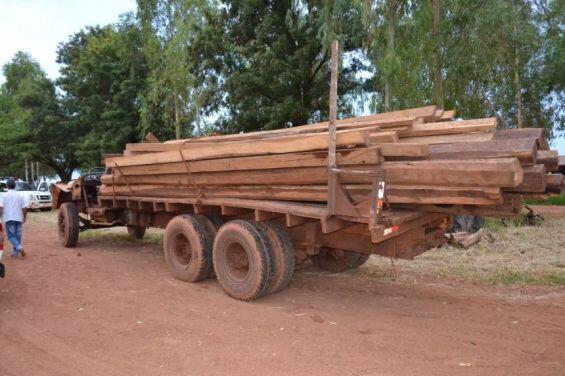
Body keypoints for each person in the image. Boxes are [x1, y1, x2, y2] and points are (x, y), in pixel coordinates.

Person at [0, 179, 28, 258]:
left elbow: (1, 208)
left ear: (7, 186)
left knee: (11, 236)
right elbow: (24, 207)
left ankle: (19, 247)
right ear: (15, 186)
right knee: (18, 235)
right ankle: (15, 252)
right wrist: (24, 217)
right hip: (19, 218)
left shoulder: (4, 195)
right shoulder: (20, 195)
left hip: (9, 218)